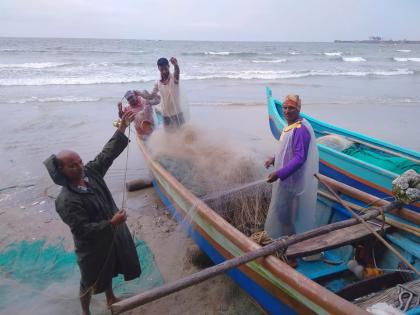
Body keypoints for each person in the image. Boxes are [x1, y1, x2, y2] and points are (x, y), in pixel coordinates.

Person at [43, 111, 140, 315]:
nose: (79, 167)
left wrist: (122, 127)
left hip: (111, 233)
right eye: (72, 166)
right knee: (88, 281)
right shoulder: (66, 200)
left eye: (79, 162)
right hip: (91, 247)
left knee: (111, 265)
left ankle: (111, 298)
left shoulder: (91, 173)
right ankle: (85, 312)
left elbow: (107, 154)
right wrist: (112, 223)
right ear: (62, 171)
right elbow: (82, 230)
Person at [264, 94, 319, 239]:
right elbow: (287, 150)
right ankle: (288, 241)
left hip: (291, 182)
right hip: (287, 178)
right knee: (283, 212)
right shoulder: (290, 125)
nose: (287, 111)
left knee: (284, 215)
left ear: (299, 109)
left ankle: (290, 251)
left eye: (291, 108)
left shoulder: (300, 129)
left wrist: (279, 174)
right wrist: (274, 159)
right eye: (285, 108)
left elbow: (300, 158)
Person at [135, 57, 187, 130]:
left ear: (169, 66)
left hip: (177, 113)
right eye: (162, 69)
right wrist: (139, 94)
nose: (164, 71)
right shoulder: (158, 83)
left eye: (165, 68)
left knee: (184, 135)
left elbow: (177, 72)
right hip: (166, 115)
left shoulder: (174, 78)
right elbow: (150, 97)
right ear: (158, 69)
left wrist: (175, 65)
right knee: (169, 137)